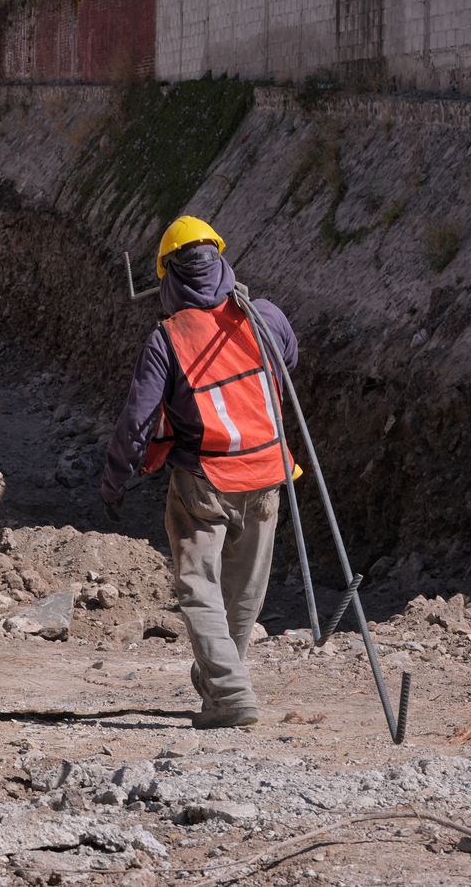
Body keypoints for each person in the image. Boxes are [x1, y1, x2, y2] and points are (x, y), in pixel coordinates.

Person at [99, 217, 298, 730]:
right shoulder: (266, 316)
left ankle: (231, 694)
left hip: (203, 480)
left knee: (199, 587)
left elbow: (139, 418)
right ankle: (221, 683)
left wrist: (117, 476)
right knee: (244, 591)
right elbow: (288, 359)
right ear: (222, 262)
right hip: (267, 473)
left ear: (167, 277)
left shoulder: (167, 339)